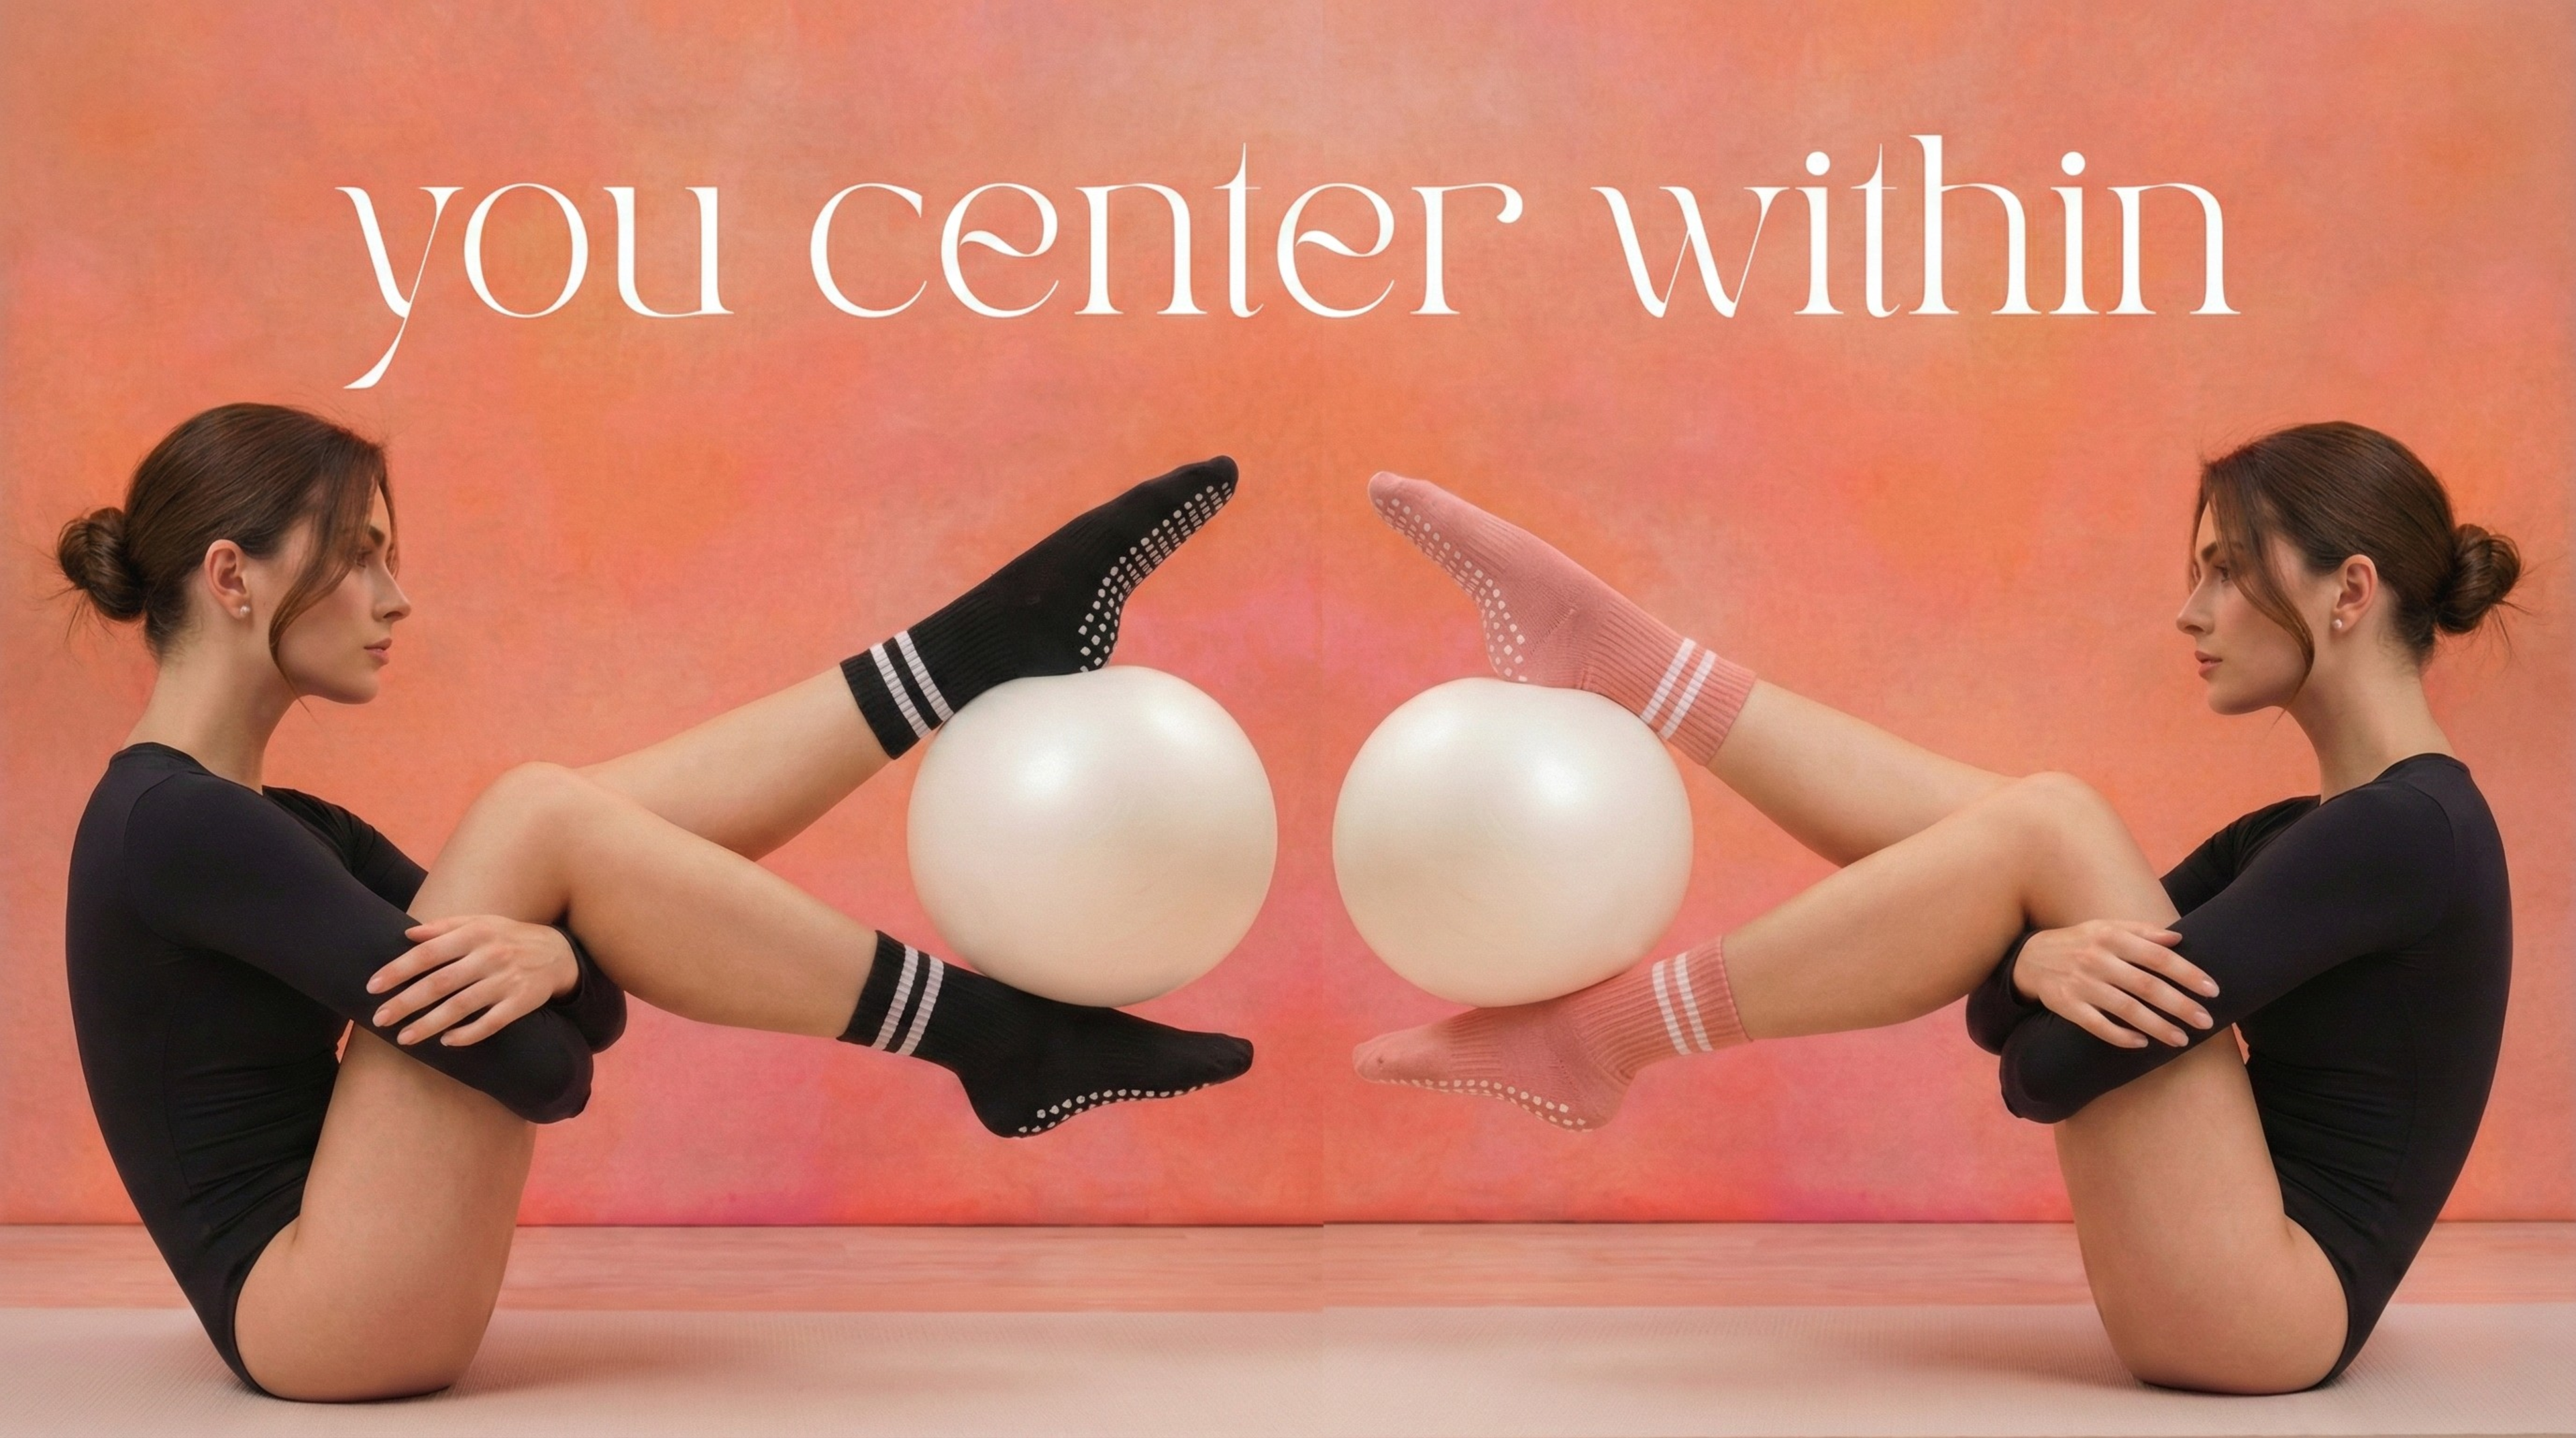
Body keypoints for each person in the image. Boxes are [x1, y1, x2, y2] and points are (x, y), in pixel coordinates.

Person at [55, 402, 1254, 1401]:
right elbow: (545, 1072)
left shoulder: (276, 824)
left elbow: (591, 973)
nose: (393, 596)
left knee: (542, 820)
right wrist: (557, 979)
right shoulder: (180, 827)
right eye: (359, 554)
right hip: (322, 1319)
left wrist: (561, 966)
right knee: (535, 814)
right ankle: (996, 1023)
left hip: (354, 1284)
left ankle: (969, 664)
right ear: (231, 576)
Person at [1353, 421, 2518, 1394]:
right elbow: (2006, 969)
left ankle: (1603, 1023)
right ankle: (1635, 669)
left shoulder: (2400, 836)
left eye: (2226, 568)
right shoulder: (2312, 832)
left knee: (2054, 822)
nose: (2191, 610)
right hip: (2233, 1280)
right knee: (2047, 829)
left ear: (2350, 590)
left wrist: (2040, 981)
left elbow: (2045, 1071)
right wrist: (2039, 970)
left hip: (2264, 1312)